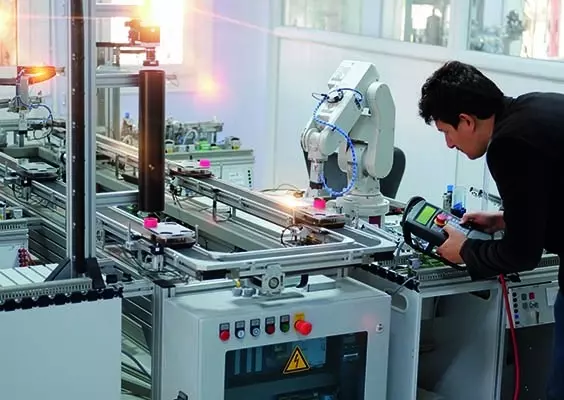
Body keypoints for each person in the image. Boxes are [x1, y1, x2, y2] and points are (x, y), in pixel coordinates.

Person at [417, 60, 564, 399]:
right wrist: (505, 219)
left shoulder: (508, 145)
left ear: (467, 121)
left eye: (447, 132)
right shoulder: (534, 106)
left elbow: (522, 254)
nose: (449, 144)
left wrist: (465, 251)